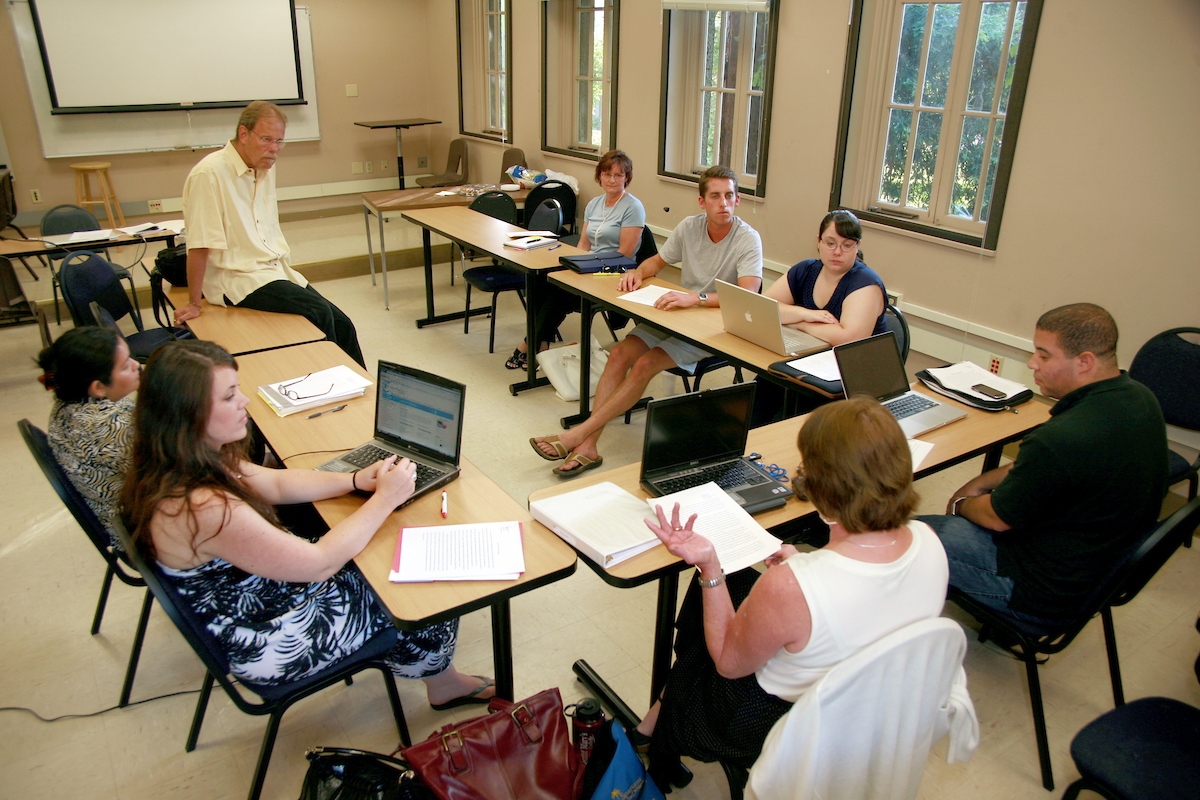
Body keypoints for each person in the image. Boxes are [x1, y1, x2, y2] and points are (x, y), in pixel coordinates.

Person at [119, 340, 492, 706]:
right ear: (189, 412)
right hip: (267, 636)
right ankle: (444, 683)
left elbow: (277, 483)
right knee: (411, 577)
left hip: (252, 594)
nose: (244, 402)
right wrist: (384, 499)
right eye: (230, 396)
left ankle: (430, 670)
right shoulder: (202, 505)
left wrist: (355, 480)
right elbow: (319, 564)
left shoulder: (184, 459)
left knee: (382, 551)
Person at [635, 397, 948, 787]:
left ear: (822, 484)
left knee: (710, 605)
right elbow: (860, 593)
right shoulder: (930, 541)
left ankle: (663, 727)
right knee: (731, 591)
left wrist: (710, 567)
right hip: (869, 712)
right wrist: (805, 563)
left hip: (776, 721)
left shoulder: (792, 585)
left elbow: (729, 664)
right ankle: (656, 725)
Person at [919, 303, 1168, 629]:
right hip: (1094, 569)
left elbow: (997, 519)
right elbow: (1053, 469)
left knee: (911, 538)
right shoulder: (1139, 398)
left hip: (1042, 594)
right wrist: (984, 482)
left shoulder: (1062, 437)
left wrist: (964, 503)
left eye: (1044, 355)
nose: (1032, 363)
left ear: (1085, 362)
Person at [530, 166, 763, 477]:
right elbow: (657, 261)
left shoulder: (748, 239)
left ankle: (577, 436)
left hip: (714, 327)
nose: (723, 203)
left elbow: (748, 294)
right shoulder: (689, 227)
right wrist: (637, 272)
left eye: (730, 196)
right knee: (618, 354)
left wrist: (697, 299)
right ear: (701, 201)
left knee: (643, 365)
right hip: (678, 313)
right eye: (715, 196)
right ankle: (588, 446)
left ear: (737, 201)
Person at [174, 101, 365, 367]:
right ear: (243, 134)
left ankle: (364, 397)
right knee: (318, 314)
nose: (274, 149)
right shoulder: (209, 174)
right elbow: (200, 244)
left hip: (271, 269)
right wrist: (194, 302)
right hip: (236, 277)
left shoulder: (264, 166)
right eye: (266, 139)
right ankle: (334, 384)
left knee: (343, 324)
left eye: (279, 141)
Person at [505, 150, 646, 371]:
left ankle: (528, 344)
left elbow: (624, 255)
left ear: (626, 178)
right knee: (544, 279)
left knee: (560, 293)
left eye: (619, 175)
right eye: (607, 174)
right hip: (589, 267)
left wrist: (587, 271)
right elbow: (583, 246)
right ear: (600, 176)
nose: (612, 180)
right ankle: (540, 345)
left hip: (614, 272)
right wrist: (574, 267)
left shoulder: (633, 207)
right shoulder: (594, 205)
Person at [751, 209, 888, 425]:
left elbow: (849, 338)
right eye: (830, 243)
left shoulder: (865, 283)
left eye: (847, 245)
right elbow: (761, 306)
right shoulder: (806, 270)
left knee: (793, 425)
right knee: (756, 404)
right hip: (804, 365)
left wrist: (802, 324)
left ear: (857, 247)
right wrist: (805, 313)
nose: (837, 252)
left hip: (848, 383)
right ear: (819, 242)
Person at [36, 327, 141, 547]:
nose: (136, 365)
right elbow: (177, 476)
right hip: (138, 530)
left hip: (121, 514)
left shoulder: (71, 400)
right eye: (125, 366)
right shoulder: (110, 426)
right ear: (98, 387)